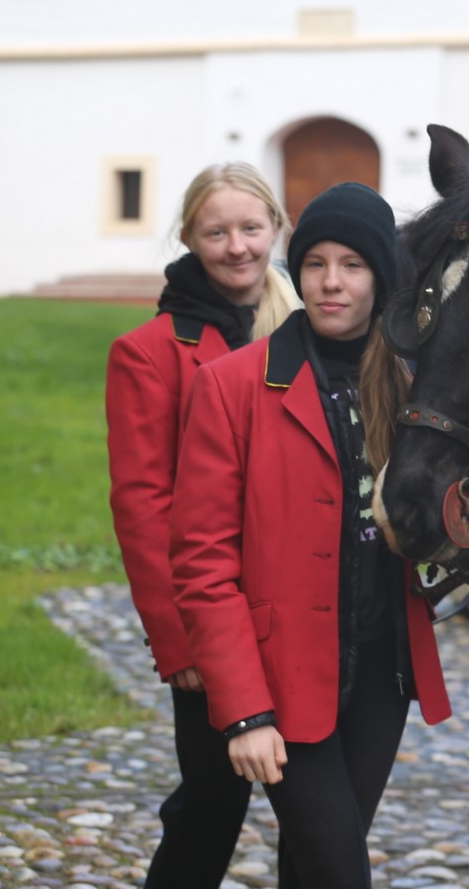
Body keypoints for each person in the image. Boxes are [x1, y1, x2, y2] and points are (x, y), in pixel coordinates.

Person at [170, 182, 451, 889]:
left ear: (381, 276)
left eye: (352, 265)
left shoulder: (420, 387)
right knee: (339, 874)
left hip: (382, 675)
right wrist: (245, 714)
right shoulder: (230, 386)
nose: (330, 283)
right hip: (282, 684)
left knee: (313, 866)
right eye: (316, 262)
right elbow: (202, 564)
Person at [106, 162, 299, 889]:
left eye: (252, 228)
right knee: (214, 805)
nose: (238, 247)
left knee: (318, 813)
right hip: (211, 616)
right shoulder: (148, 353)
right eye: (216, 232)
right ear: (188, 237)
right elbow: (142, 505)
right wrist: (178, 639)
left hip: (303, 607)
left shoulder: (312, 326)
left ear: (276, 227)